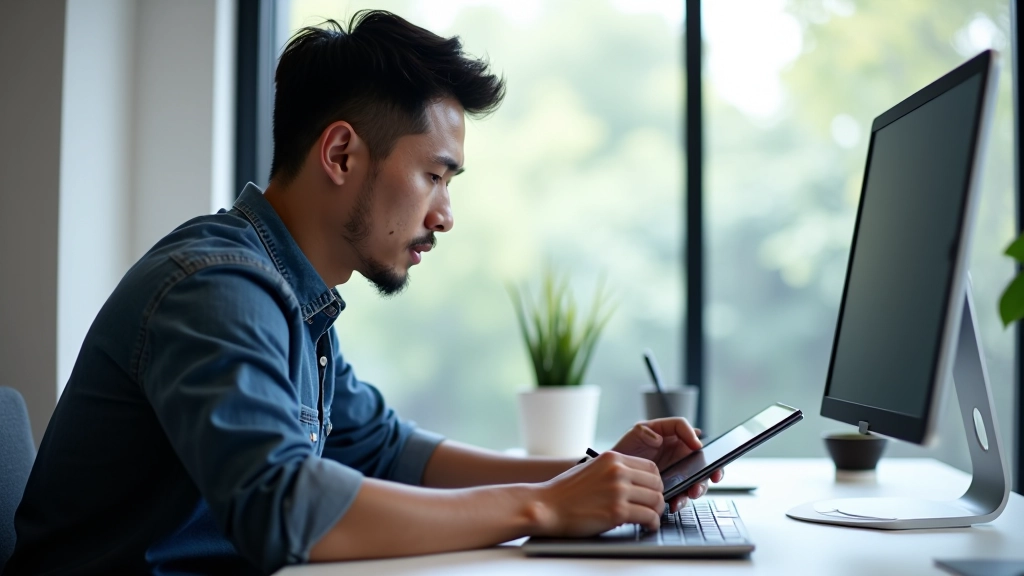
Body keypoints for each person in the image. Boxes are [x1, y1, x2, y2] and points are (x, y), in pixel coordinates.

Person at [4, 10, 723, 576]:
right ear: (342, 154)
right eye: (435, 176)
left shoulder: (292, 297)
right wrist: (544, 505)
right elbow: (287, 509)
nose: (445, 215)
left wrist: (593, 474)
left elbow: (387, 452)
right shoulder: (217, 289)